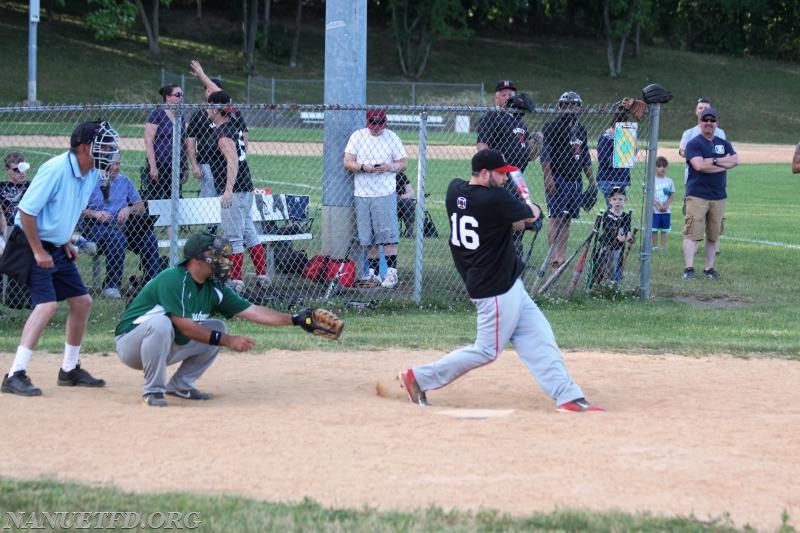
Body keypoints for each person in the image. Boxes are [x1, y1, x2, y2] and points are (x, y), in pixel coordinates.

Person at [397, 149, 605, 413]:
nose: (505, 179)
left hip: (506, 283)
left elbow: (511, 223)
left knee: (539, 336)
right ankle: (418, 378)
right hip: (494, 289)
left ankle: (568, 396)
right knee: (486, 351)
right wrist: (535, 208)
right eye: (500, 174)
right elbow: (531, 216)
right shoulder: (494, 198)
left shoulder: (455, 190)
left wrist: (520, 217)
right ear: (484, 174)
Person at [114, 232, 322, 406]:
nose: (223, 260)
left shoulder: (213, 286)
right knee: (162, 323)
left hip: (164, 344)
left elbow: (253, 311)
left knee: (217, 327)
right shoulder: (173, 279)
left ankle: (180, 386)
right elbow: (186, 327)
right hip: (132, 343)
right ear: (196, 259)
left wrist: (295, 319)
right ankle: (153, 391)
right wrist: (228, 341)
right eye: (215, 255)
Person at [0, 121, 119, 396]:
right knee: (46, 305)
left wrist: (65, 240)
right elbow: (27, 213)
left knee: (82, 302)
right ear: (85, 148)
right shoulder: (55, 169)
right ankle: (14, 373)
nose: (110, 150)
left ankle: (69, 369)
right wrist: (39, 251)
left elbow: (67, 209)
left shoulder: (90, 173)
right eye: (104, 145)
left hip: (55, 245)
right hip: (29, 243)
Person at [206, 90, 268, 292]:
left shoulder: (223, 133)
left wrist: (228, 190)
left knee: (234, 236)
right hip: (245, 187)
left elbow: (232, 161)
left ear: (216, 109)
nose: (207, 110)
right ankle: (262, 275)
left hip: (235, 189)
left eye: (209, 106)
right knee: (249, 230)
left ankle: (237, 281)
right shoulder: (233, 126)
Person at [79, 154, 161, 299]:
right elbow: (77, 208)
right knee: (117, 238)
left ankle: (152, 282)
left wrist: (128, 209)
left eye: (118, 164)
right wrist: (96, 214)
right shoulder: (90, 181)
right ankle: (111, 285)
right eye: (112, 164)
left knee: (149, 238)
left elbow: (140, 206)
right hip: (96, 226)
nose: (116, 167)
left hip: (123, 226)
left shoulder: (124, 181)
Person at [343, 109, 409, 289]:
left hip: (384, 193)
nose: (377, 128)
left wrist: (389, 166)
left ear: (385, 122)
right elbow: (347, 162)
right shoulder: (358, 136)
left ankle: (391, 273)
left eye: (380, 124)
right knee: (369, 236)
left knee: (387, 235)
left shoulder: (392, 137)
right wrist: (365, 167)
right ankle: (373, 274)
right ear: (367, 122)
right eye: (373, 124)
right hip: (362, 193)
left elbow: (403, 163)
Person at [476, 79, 542, 254]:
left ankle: (515, 253)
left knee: (520, 215)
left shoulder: (518, 120)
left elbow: (527, 152)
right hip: (501, 177)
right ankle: (499, 253)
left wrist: (536, 142)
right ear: (496, 99)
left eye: (510, 95)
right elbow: (482, 147)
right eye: (503, 95)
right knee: (502, 217)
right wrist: (488, 173)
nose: (507, 98)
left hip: (518, 176)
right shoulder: (492, 117)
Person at [540, 91, 596, 269]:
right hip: (558, 178)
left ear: (579, 107)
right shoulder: (552, 126)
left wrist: (592, 181)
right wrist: (548, 177)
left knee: (567, 220)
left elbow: (585, 156)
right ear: (560, 106)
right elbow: (545, 153)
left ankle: (561, 257)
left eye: (575, 105)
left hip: (575, 180)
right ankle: (553, 256)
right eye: (567, 104)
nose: (571, 108)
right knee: (556, 218)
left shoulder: (581, 129)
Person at [682, 107, 738, 280]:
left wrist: (712, 160)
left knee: (714, 234)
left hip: (719, 195)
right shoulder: (694, 144)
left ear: (716, 123)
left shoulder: (723, 143)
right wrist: (722, 164)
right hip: (697, 195)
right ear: (699, 123)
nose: (708, 123)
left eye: (712, 120)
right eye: (705, 120)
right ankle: (689, 269)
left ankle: (709, 269)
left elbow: (735, 160)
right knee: (692, 232)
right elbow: (699, 166)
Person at [187, 59, 249, 205]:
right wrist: (194, 165)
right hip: (207, 163)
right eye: (206, 89)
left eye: (212, 90)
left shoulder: (231, 113)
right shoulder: (200, 114)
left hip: (228, 163)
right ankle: (211, 228)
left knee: (229, 201)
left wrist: (202, 75)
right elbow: (190, 140)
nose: (209, 93)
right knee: (211, 200)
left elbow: (222, 96)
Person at [143, 84, 187, 200]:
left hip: (176, 165)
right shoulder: (156, 114)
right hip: (160, 164)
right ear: (167, 97)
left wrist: (185, 167)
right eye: (177, 95)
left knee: (174, 198)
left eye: (181, 94)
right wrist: (153, 166)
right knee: (155, 200)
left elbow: (184, 143)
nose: (181, 97)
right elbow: (148, 142)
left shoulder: (180, 116)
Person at [590, 186, 635, 287]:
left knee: (616, 266)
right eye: (614, 199)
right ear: (609, 201)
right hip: (607, 246)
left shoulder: (626, 216)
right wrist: (618, 236)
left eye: (620, 199)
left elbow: (627, 229)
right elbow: (610, 228)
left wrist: (629, 237)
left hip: (619, 248)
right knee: (604, 266)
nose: (617, 202)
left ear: (625, 201)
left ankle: (614, 286)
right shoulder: (607, 215)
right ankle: (599, 284)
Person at [596, 110, 631, 203]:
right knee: (613, 207)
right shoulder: (606, 137)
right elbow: (603, 159)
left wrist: (631, 150)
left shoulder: (625, 137)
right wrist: (620, 157)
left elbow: (629, 156)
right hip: (608, 178)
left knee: (617, 208)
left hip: (622, 177)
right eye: (624, 124)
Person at [652, 156, 675, 253]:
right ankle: (655, 246)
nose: (662, 168)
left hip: (666, 211)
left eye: (664, 166)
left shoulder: (669, 181)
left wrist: (666, 205)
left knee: (664, 230)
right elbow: (648, 194)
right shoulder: (652, 180)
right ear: (655, 168)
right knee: (654, 229)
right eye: (659, 166)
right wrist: (656, 205)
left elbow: (672, 194)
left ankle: (664, 247)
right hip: (654, 211)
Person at [396, 171, 415, 238]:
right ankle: (393, 232)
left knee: (408, 202)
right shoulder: (383, 175)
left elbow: (411, 192)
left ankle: (410, 233)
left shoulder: (401, 175)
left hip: (401, 200)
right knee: (396, 200)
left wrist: (404, 197)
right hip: (389, 200)